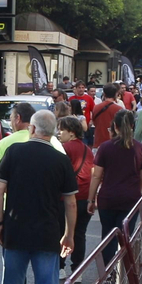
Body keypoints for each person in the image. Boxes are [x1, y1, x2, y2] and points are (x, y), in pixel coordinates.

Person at [0, 112, 76, 284]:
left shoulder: (15, 152)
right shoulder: (61, 160)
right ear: (53, 132)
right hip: (48, 234)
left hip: (15, 231)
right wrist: (69, 234)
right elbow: (71, 202)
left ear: (32, 128)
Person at [57, 115, 95, 272]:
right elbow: (93, 173)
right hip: (85, 196)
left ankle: (60, 267)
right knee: (79, 234)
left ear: (71, 132)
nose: (59, 133)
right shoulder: (88, 149)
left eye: (61, 130)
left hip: (65, 198)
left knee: (62, 232)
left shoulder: (63, 149)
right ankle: (77, 269)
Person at [0, 102, 66, 167]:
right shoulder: (54, 141)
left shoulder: (4, 143)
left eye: (11, 119)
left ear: (18, 118)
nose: (11, 124)